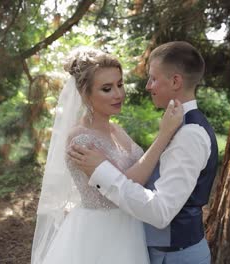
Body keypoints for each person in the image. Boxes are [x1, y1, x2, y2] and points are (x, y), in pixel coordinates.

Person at [69, 41, 218, 264]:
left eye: (153, 78)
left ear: (176, 81)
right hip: (122, 243)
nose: (147, 86)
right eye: (108, 88)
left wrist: (103, 171)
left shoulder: (189, 134)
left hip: (175, 255)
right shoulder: (176, 123)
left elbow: (160, 211)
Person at [31, 47, 184, 264]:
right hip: (99, 236)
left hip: (129, 229)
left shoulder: (116, 130)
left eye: (119, 84)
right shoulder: (81, 141)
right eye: (106, 88)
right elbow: (126, 183)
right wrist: (164, 134)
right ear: (85, 94)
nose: (118, 94)